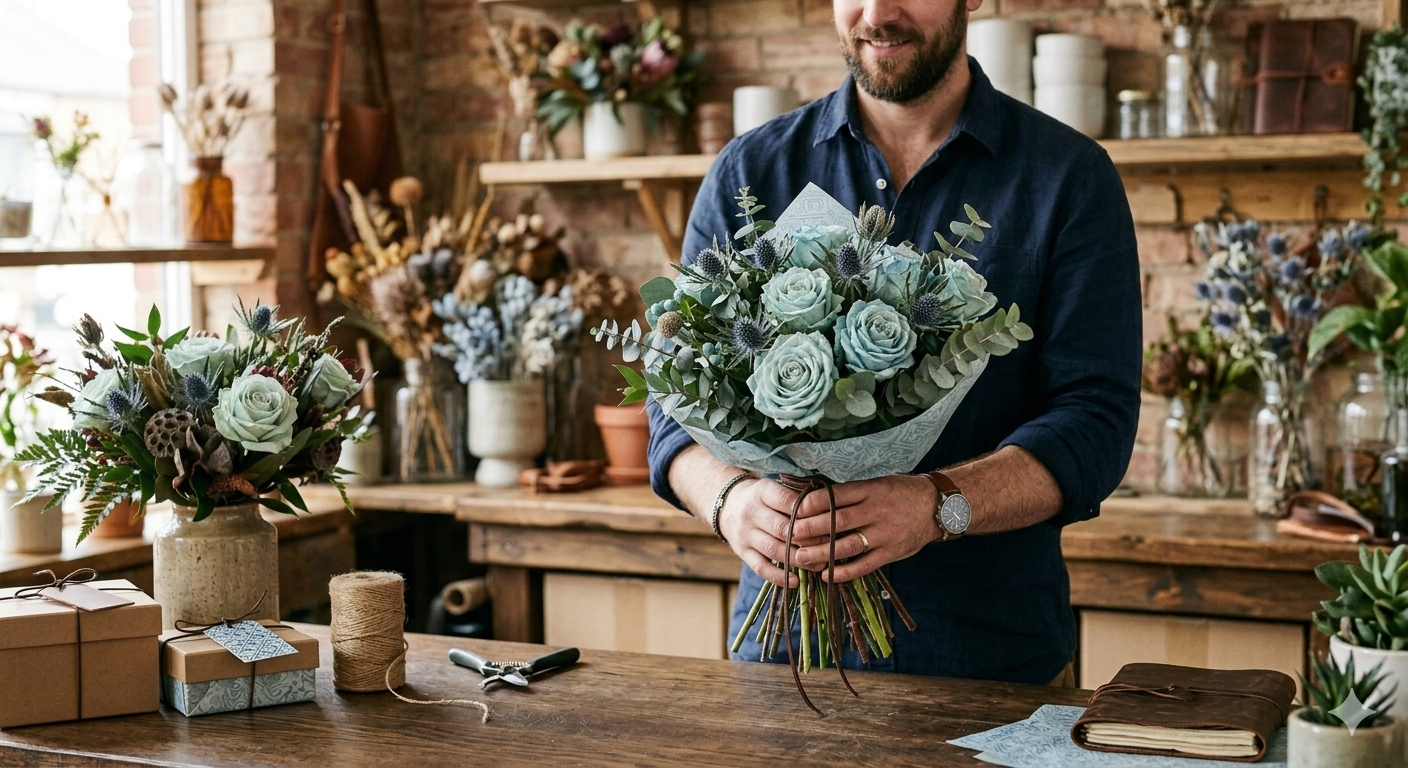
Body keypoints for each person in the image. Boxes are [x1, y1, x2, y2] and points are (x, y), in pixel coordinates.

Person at [647, 0, 1141, 686]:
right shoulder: (750, 172)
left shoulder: (1069, 178)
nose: (878, 13)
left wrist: (938, 505)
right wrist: (729, 502)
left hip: (993, 666)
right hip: (783, 662)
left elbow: (1096, 420)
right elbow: (671, 400)